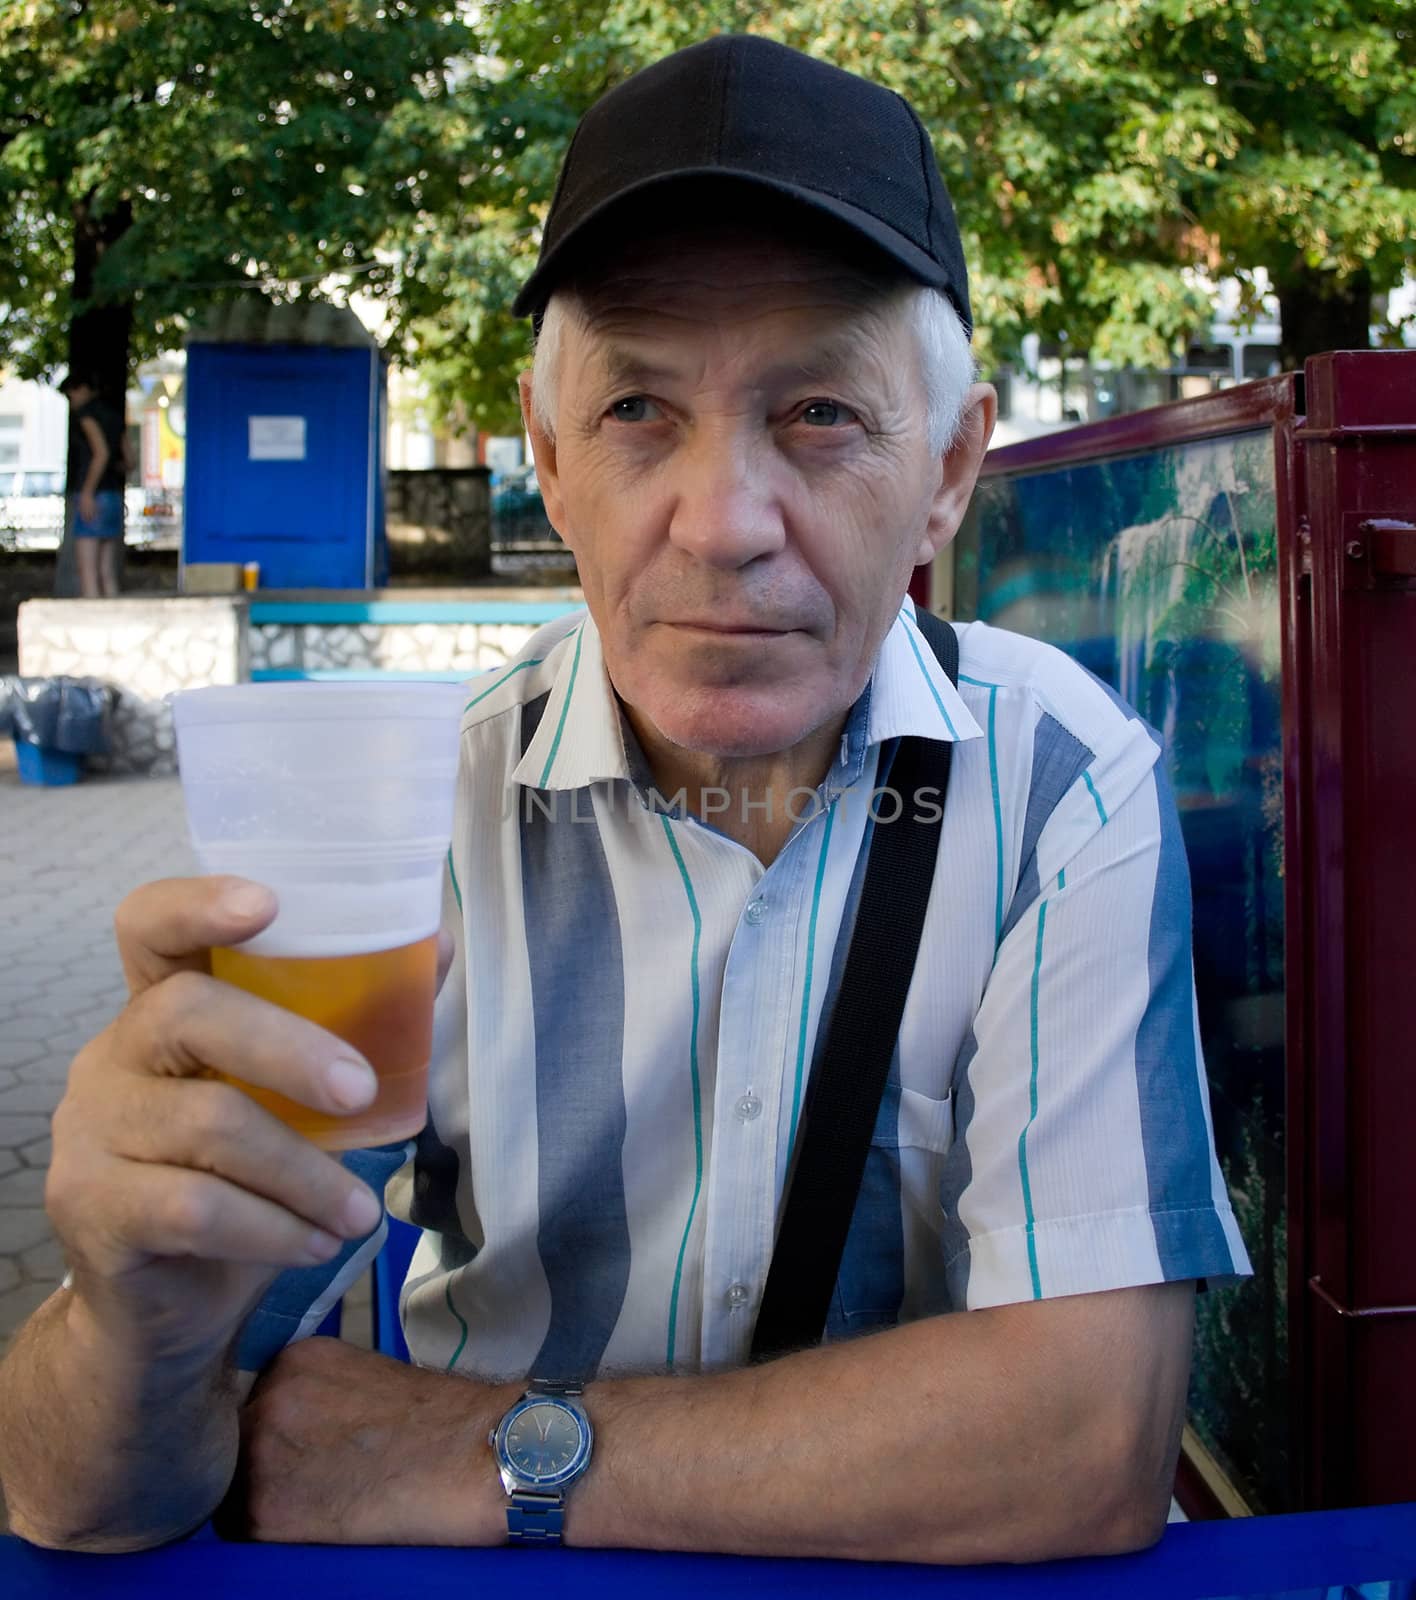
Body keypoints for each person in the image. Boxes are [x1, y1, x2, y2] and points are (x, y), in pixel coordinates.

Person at [0, 37, 1250, 1563]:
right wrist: (133, 1327)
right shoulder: (416, 804)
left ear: (950, 471)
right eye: (639, 414)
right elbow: (86, 1505)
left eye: (821, 416)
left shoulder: (1060, 781)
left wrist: (474, 1454)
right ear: (547, 460)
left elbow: (1085, 1443)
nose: (723, 526)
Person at [59, 371, 127, 598]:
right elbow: (130, 460)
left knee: (88, 572)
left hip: (93, 495)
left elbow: (101, 453)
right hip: (113, 495)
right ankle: (116, 622)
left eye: (73, 393)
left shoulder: (86, 416)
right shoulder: (116, 417)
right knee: (107, 571)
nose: (72, 399)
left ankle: (94, 624)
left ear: (84, 388)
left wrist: (88, 491)